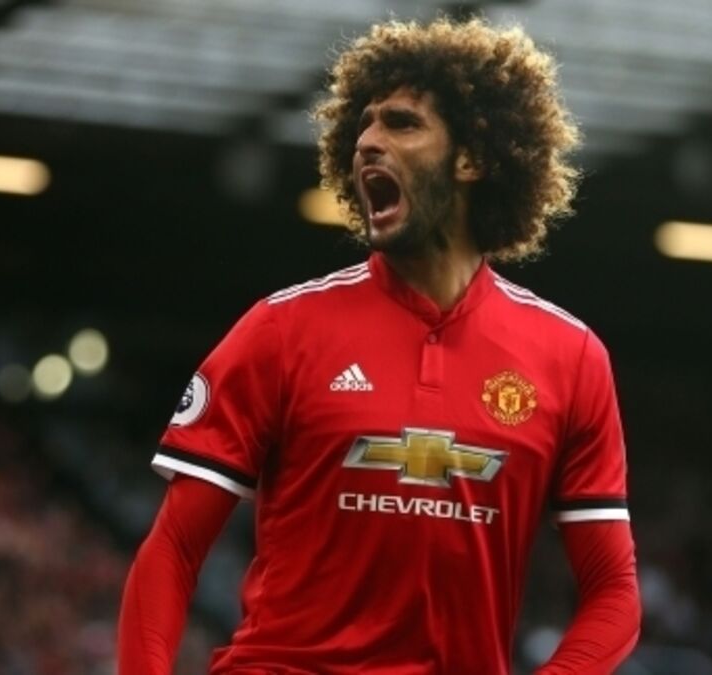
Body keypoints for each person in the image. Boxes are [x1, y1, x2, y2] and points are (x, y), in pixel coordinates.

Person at [118, 16, 640, 674]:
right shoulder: (281, 329)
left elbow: (614, 592)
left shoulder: (571, 358)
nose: (367, 141)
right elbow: (172, 548)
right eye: (363, 124)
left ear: (473, 157)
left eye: (401, 123)